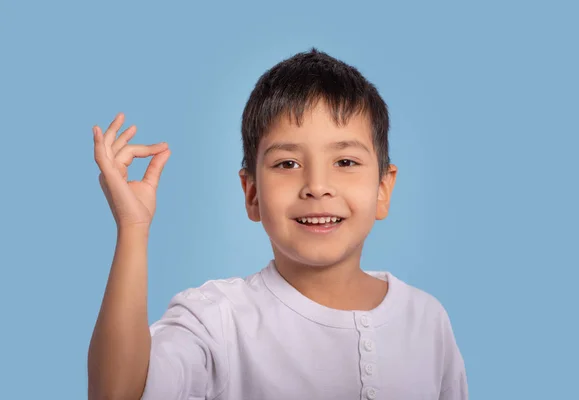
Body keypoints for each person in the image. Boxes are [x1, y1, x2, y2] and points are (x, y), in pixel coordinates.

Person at [87, 48, 468, 400]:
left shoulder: (427, 319)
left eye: (345, 162)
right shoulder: (217, 320)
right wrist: (133, 227)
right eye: (287, 163)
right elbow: (119, 394)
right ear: (251, 193)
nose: (317, 186)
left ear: (383, 189)